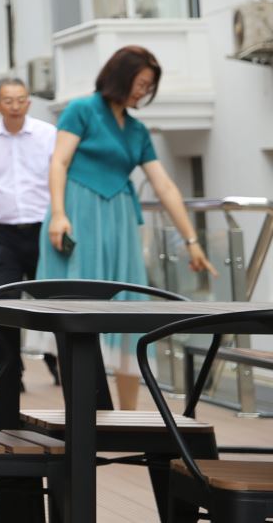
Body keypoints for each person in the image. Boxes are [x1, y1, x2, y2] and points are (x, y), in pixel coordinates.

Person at [41, 45, 218, 409]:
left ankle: (128, 417)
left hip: (120, 222)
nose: (144, 92)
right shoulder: (81, 110)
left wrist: (191, 240)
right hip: (79, 215)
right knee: (78, 311)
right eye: (141, 83)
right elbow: (59, 162)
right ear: (121, 77)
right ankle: (83, 414)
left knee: (129, 311)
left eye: (149, 86)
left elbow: (164, 186)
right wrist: (58, 214)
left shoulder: (137, 130)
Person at [0, 76, 59, 386]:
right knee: (3, 305)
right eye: (8, 101)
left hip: (43, 231)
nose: (15, 106)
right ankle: (9, 373)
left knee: (53, 303)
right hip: (2, 234)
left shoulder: (47, 134)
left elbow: (59, 180)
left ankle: (57, 362)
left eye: (21, 100)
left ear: (29, 102)